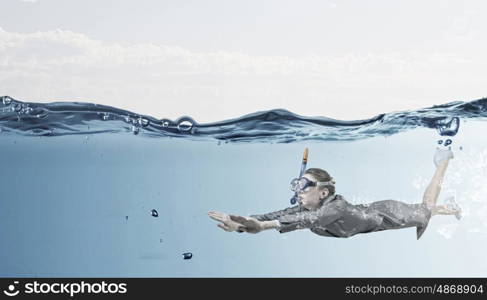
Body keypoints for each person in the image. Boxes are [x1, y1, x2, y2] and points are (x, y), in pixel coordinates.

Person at [208, 147, 461, 240]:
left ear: (323, 192)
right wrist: (245, 223)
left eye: (304, 187)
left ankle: (443, 160)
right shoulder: (304, 209)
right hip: (369, 221)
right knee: (429, 209)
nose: (298, 193)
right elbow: (277, 215)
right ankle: (448, 207)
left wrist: (265, 227)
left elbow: (311, 221)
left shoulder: (334, 207)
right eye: (295, 186)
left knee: (425, 209)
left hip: (387, 214)